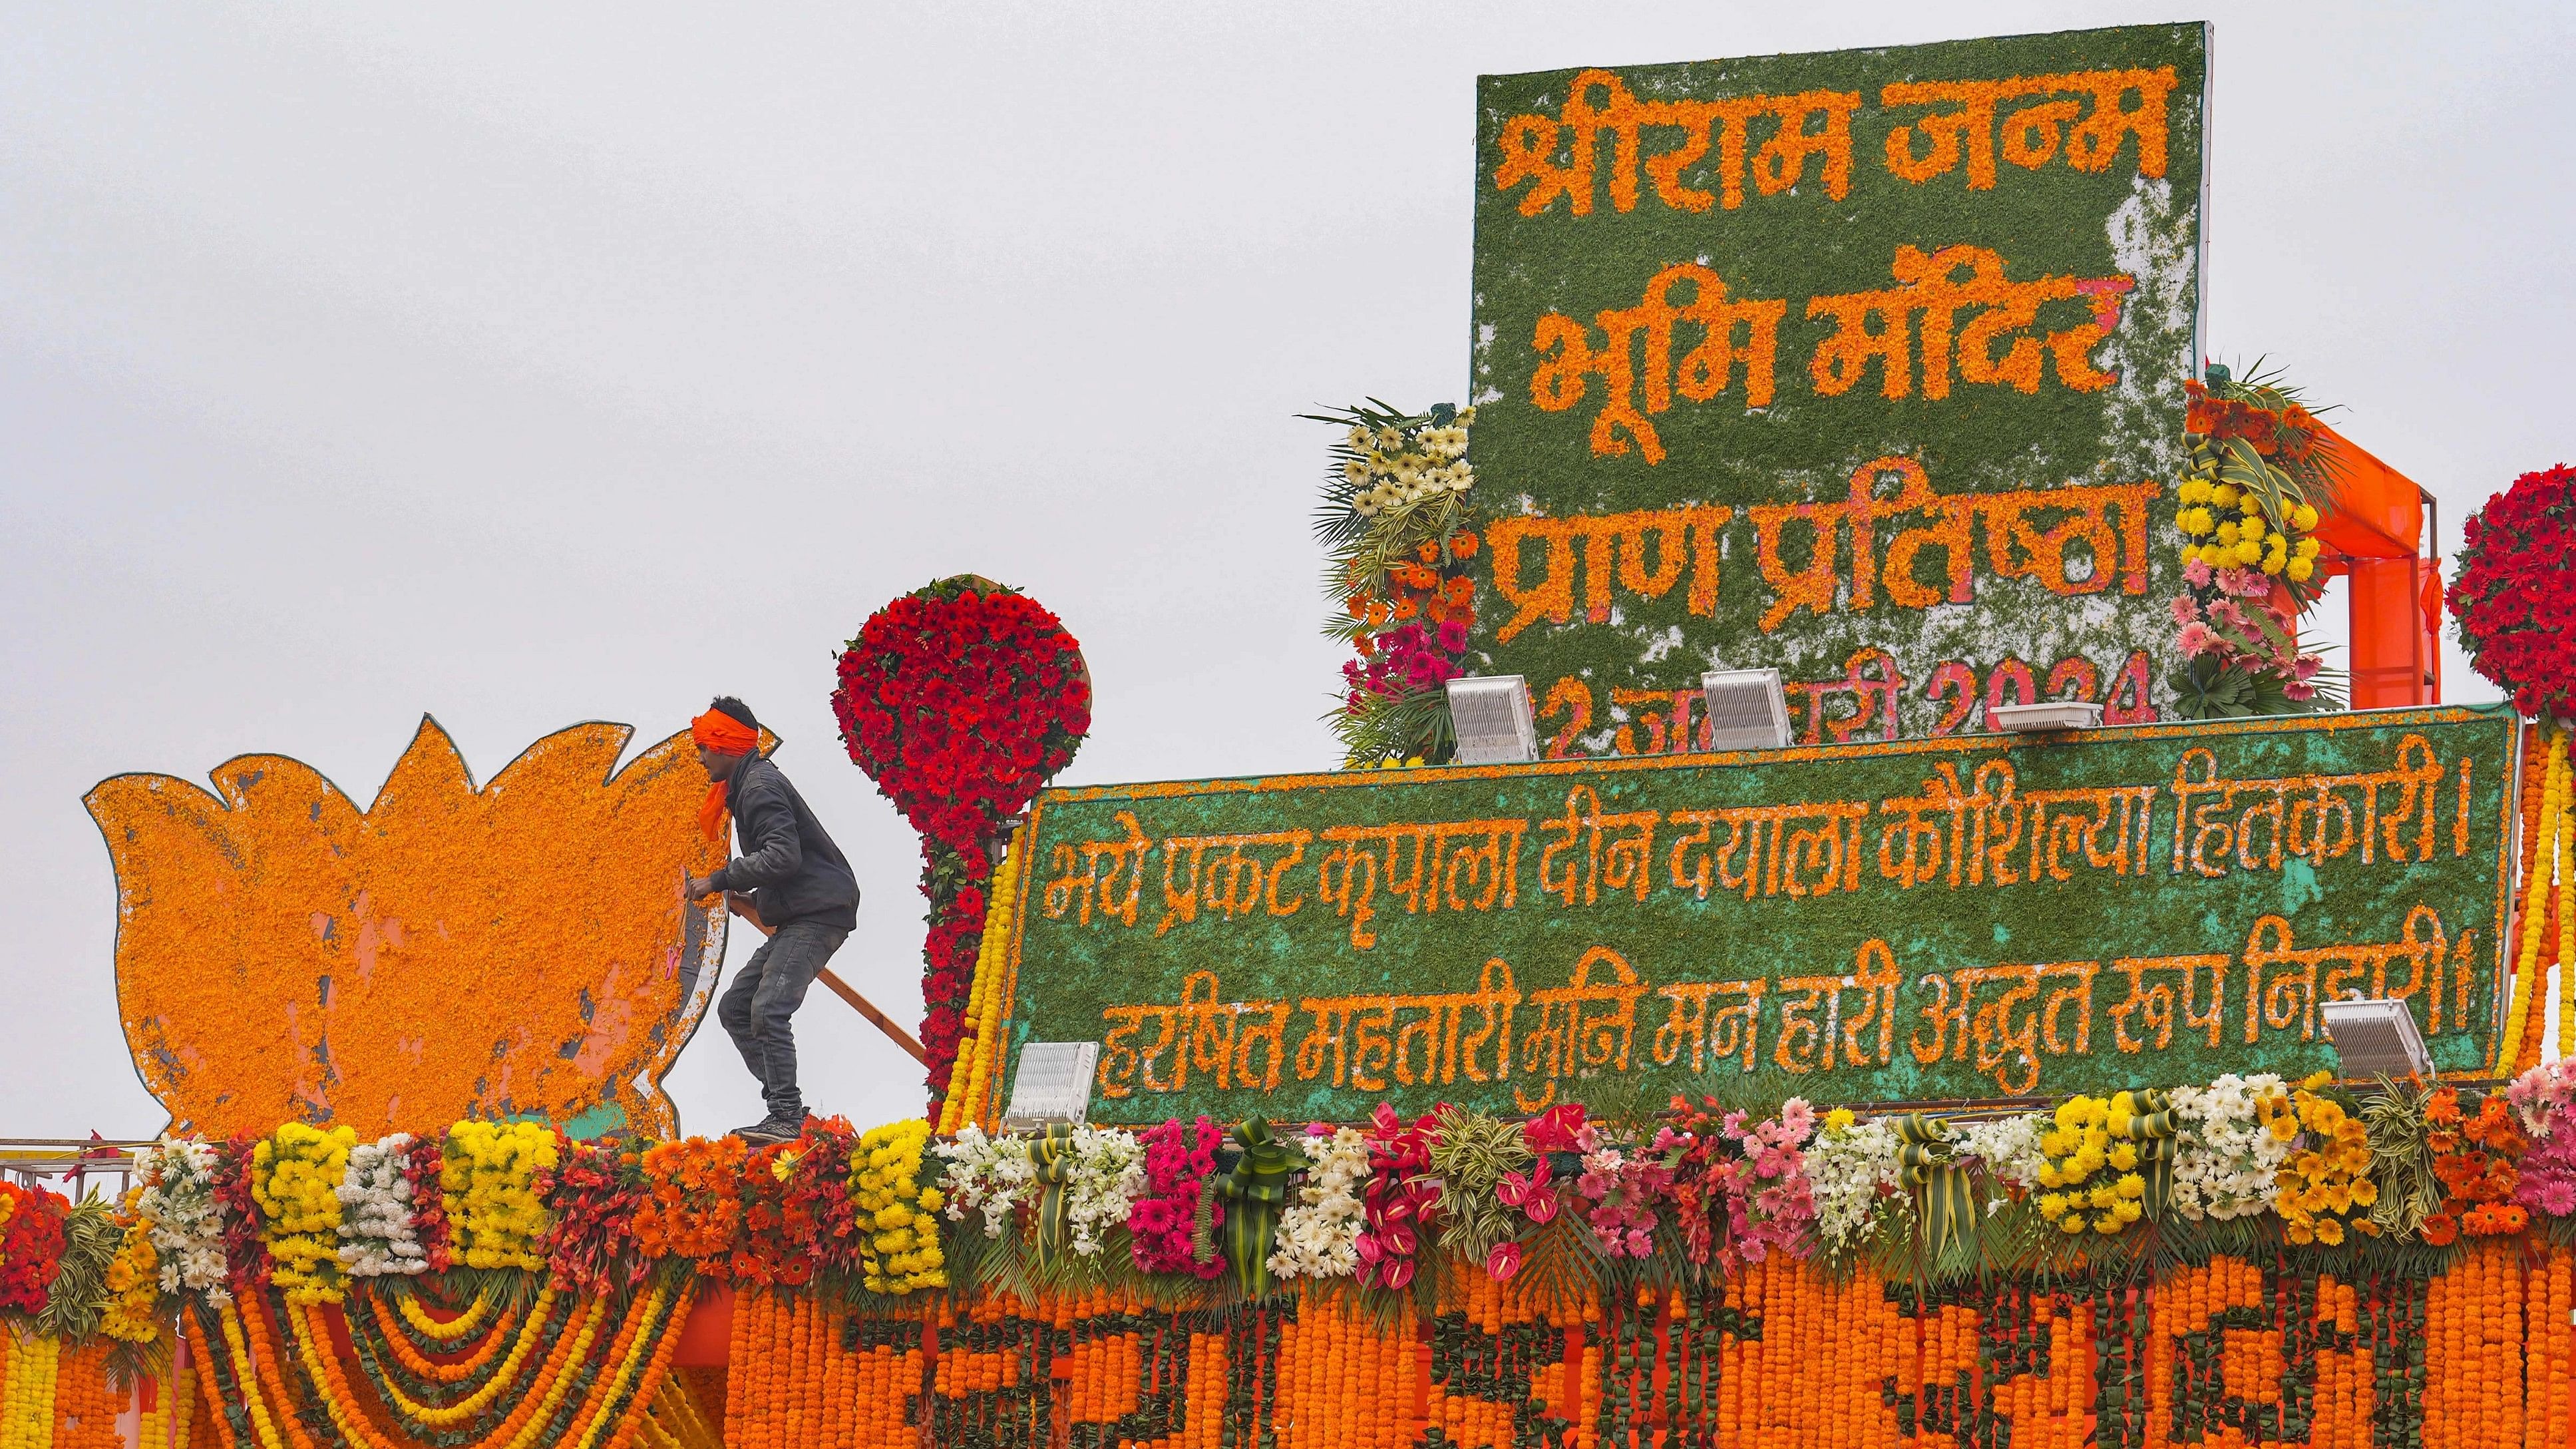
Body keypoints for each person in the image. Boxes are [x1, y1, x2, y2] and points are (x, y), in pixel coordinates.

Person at [681, 698, 861, 1143]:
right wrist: (755, 896)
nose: (700, 756)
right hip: (804, 912)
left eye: (705, 746)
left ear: (727, 745)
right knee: (736, 1008)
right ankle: (788, 1112)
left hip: (817, 916)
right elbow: (788, 864)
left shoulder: (758, 787)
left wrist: (718, 881)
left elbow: (782, 856)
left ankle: (785, 1117)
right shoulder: (750, 784)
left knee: (766, 1008)